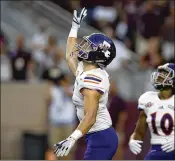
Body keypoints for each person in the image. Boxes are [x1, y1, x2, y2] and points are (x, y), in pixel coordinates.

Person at [54, 8, 118, 160]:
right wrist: (74, 27)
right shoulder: (86, 69)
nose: (83, 46)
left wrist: (72, 138)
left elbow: (90, 116)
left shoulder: (93, 79)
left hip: (101, 137)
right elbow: (70, 57)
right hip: (95, 135)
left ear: (98, 54)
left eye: (89, 46)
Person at [129, 63, 175, 160]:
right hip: (156, 150)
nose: (159, 76)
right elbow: (139, 132)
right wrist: (132, 140)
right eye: (160, 73)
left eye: (165, 73)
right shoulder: (147, 98)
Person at [45, 67, 76, 160]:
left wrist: (64, 85)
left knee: (67, 150)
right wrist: (50, 83)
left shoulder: (72, 88)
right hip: (55, 122)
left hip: (68, 122)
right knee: (53, 149)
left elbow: (71, 95)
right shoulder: (52, 89)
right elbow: (47, 99)